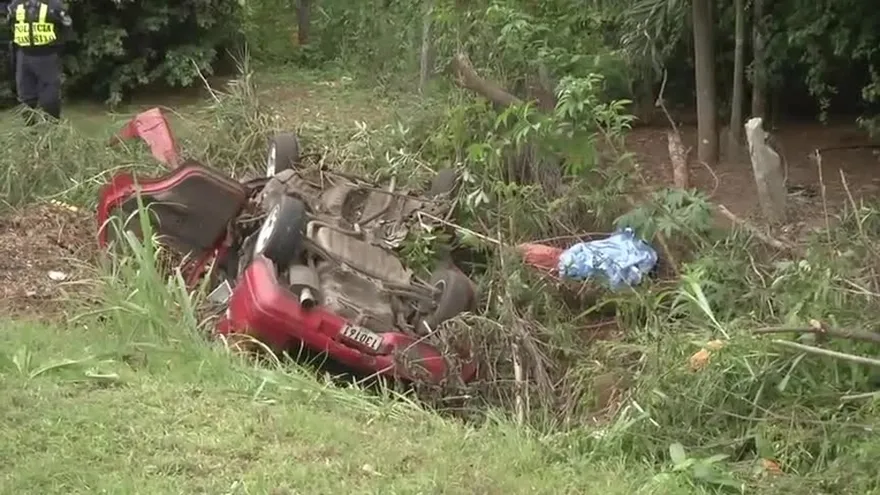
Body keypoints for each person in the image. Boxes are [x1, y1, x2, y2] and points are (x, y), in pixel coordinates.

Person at [6, 0, 71, 122]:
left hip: (47, 56)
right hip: (23, 55)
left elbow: (66, 28)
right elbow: (11, 26)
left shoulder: (54, 6)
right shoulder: (15, 5)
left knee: (50, 99)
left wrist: (56, 48)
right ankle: (30, 131)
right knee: (25, 97)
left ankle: (53, 129)